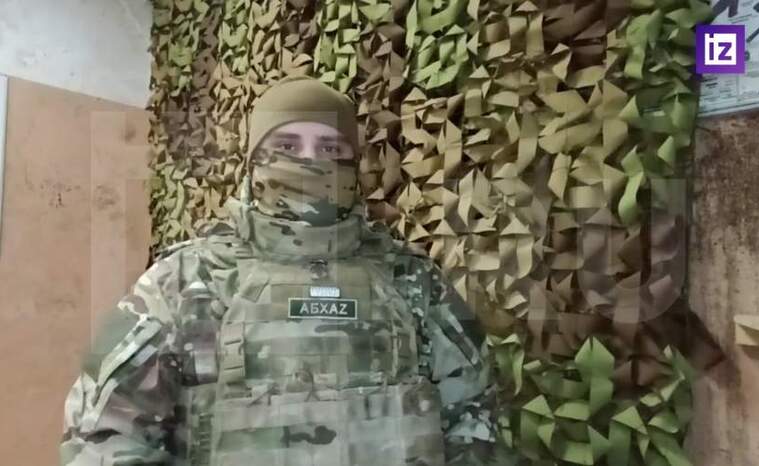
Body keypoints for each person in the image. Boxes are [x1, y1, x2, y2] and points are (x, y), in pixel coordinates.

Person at [59, 76, 501, 466]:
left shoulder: (412, 281)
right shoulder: (184, 282)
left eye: (331, 148)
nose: (310, 162)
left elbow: (475, 413)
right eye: (287, 147)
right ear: (253, 162)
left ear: (354, 165)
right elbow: (105, 435)